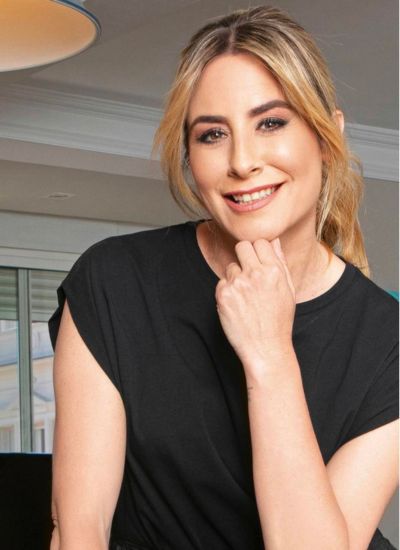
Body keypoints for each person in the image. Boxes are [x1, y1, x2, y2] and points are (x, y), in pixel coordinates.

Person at [48, 6, 398, 550]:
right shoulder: (113, 282)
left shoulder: (388, 339)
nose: (242, 161)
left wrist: (269, 355)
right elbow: (79, 531)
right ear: (190, 158)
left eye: (271, 123)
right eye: (212, 134)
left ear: (328, 133)